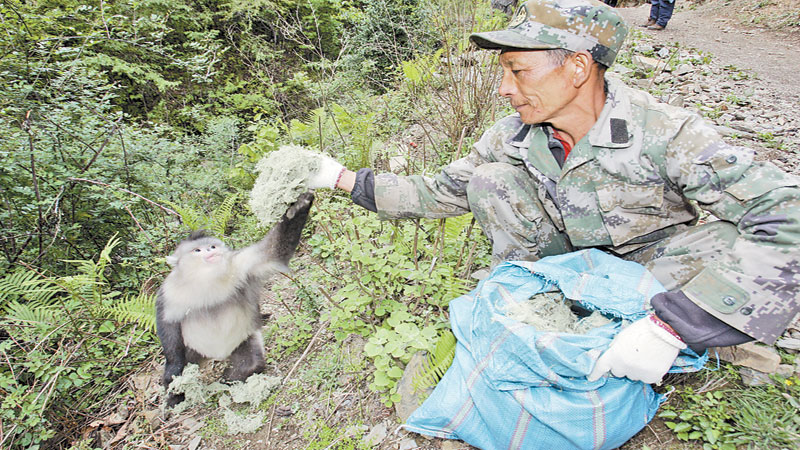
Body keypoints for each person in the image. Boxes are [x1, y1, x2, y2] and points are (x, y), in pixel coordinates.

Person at [305, 0, 800, 385]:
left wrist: (671, 326)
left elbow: (787, 211)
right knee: (489, 180)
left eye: (517, 71)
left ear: (578, 67)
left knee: (727, 239)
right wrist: (343, 178)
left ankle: (695, 332)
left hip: (649, 274)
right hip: (565, 272)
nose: (504, 88)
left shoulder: (667, 132)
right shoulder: (512, 136)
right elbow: (440, 191)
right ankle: (549, 314)